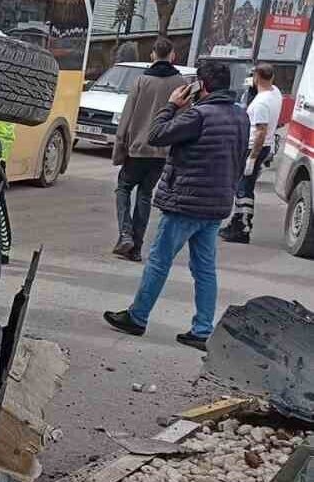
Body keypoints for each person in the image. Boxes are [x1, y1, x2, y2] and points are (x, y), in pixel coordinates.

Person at [103, 61, 249, 351]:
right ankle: (202, 330)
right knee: (205, 269)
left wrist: (171, 105)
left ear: (201, 86)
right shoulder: (240, 116)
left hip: (186, 202)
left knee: (159, 261)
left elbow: (156, 135)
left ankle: (138, 317)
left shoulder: (198, 115)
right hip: (215, 204)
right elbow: (240, 158)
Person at [111, 37, 186, 262]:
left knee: (123, 188)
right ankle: (136, 247)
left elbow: (126, 118)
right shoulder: (181, 83)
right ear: (172, 55)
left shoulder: (141, 81)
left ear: (153, 55)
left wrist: (119, 148)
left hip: (137, 149)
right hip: (162, 151)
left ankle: (125, 234)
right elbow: (183, 120)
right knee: (145, 194)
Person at [219, 63, 283, 244]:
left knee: (243, 188)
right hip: (263, 146)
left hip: (254, 147)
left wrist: (252, 158)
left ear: (256, 77)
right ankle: (238, 222)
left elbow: (260, 131)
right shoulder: (275, 93)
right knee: (244, 186)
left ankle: (242, 226)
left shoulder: (261, 103)